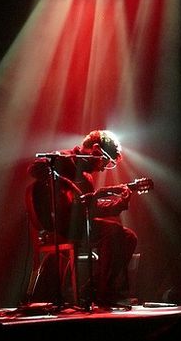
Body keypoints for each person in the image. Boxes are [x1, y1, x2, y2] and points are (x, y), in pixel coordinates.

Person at [27, 129, 138, 308]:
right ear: (95, 150)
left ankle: (95, 289)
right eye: (105, 161)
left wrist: (119, 204)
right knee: (114, 231)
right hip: (59, 226)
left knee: (128, 237)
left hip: (79, 226)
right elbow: (34, 168)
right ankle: (102, 293)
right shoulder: (64, 159)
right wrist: (61, 181)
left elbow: (89, 209)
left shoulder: (86, 178)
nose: (103, 167)